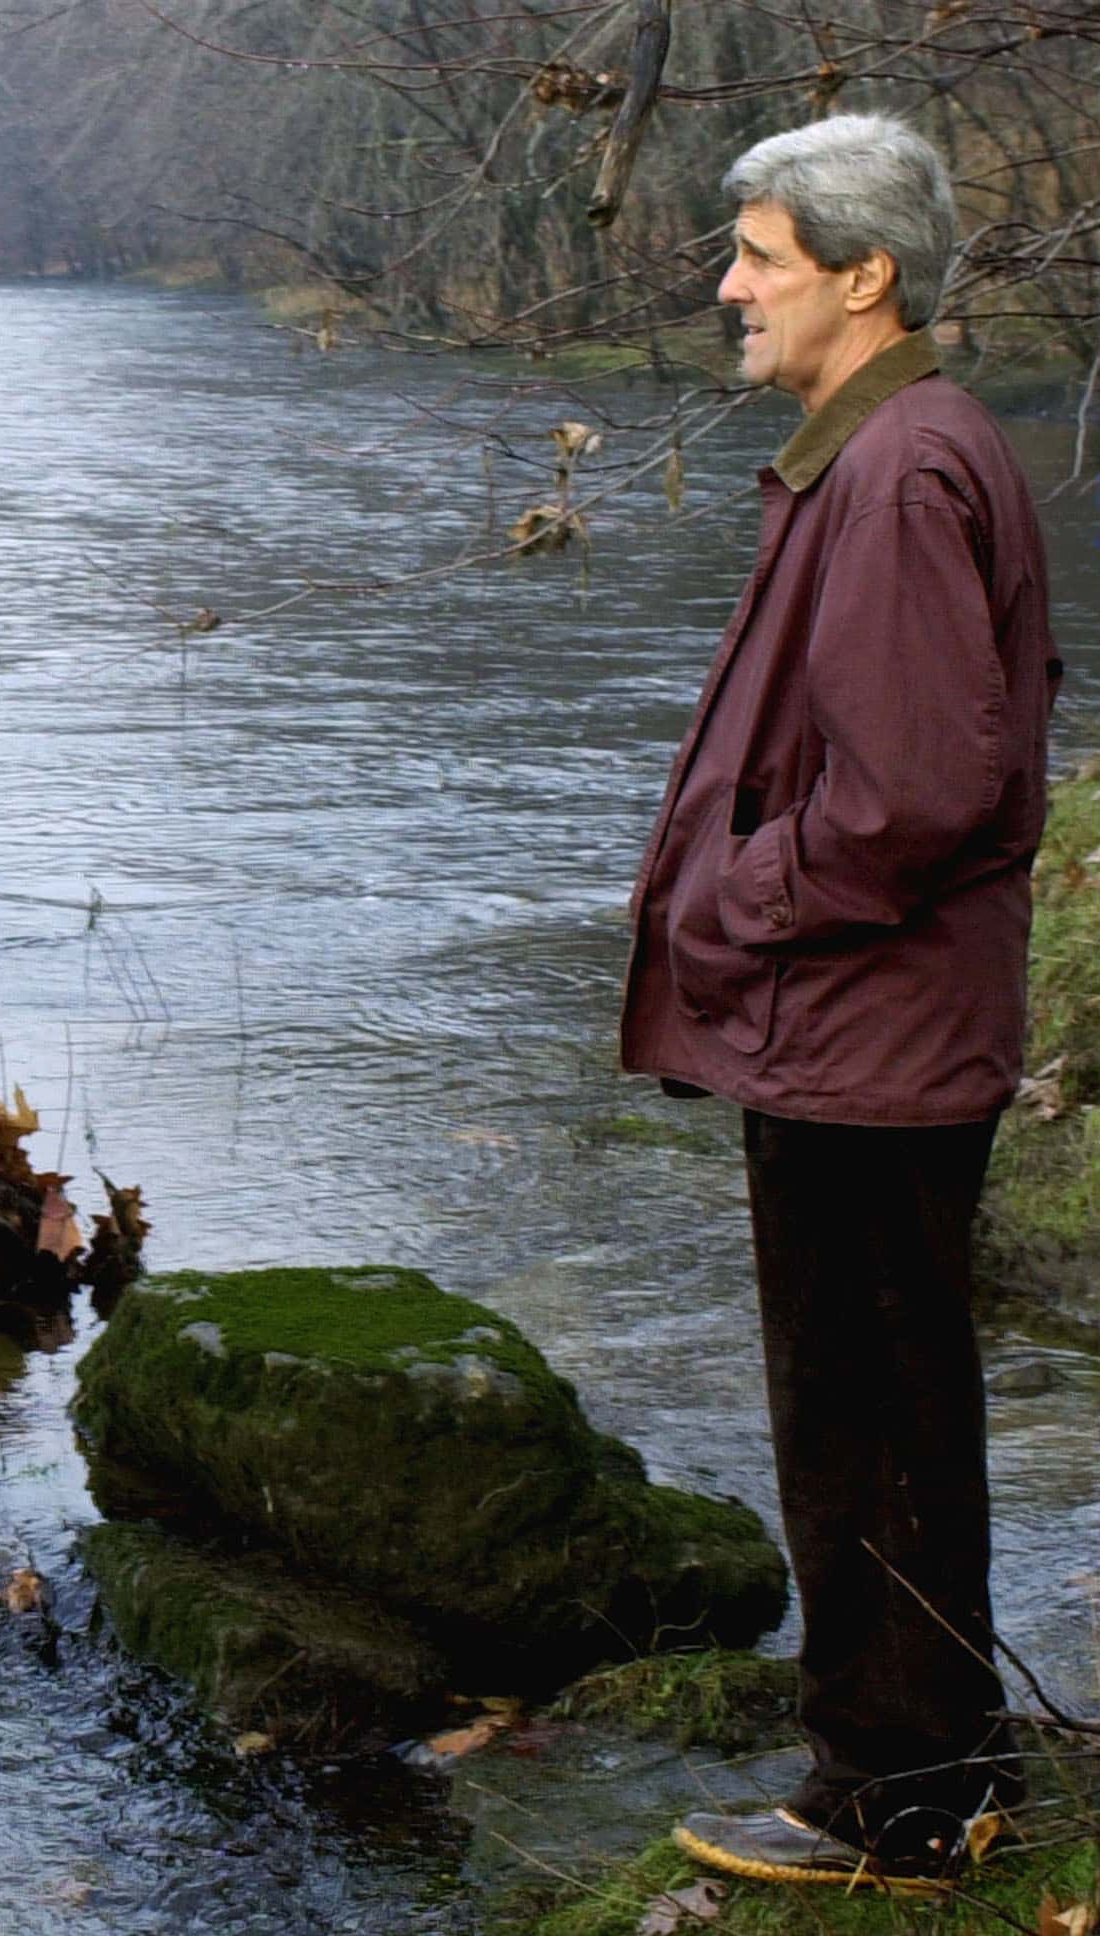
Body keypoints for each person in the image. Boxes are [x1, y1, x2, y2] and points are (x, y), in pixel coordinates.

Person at [620, 111, 1058, 1886]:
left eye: (762, 259)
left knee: (863, 1421)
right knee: (886, 1406)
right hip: (875, 1032)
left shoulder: (896, 471)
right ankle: (928, 1765)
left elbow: (913, 797)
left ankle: (902, 1805)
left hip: (867, 1038)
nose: (733, 287)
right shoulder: (899, 444)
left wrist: (726, 901)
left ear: (863, 278)